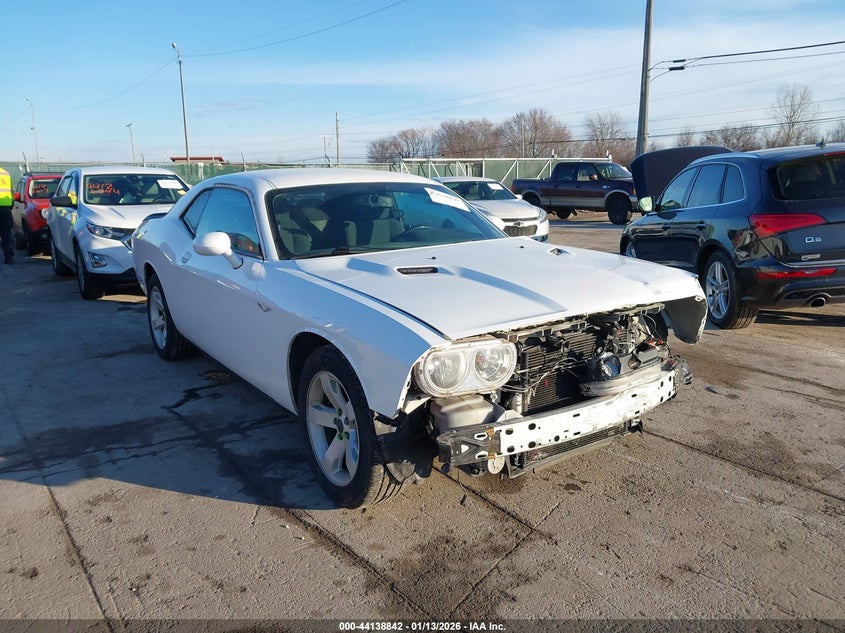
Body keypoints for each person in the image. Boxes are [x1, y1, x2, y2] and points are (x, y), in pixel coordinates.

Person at [0, 167, 15, 264]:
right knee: (6, 234)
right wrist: (11, 203)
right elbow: (11, 191)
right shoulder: (6, 174)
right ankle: (9, 257)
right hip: (5, 208)